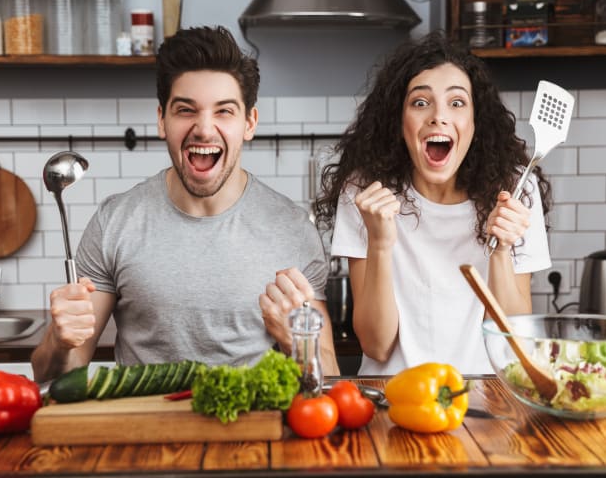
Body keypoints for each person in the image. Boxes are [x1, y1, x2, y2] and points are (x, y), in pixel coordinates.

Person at [31, 26, 339, 382]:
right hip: (147, 431)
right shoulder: (114, 223)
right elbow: (52, 376)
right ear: (162, 120)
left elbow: (330, 374)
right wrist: (59, 338)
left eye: (224, 111)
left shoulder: (292, 229)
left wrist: (296, 342)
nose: (204, 129)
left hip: (253, 433)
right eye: (185, 110)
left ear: (249, 123)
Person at [315, 31, 552, 375]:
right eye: (420, 102)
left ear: (475, 123)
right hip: (393, 397)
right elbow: (376, 345)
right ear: (399, 123)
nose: (438, 117)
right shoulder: (365, 191)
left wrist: (500, 250)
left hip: (486, 398)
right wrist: (380, 244)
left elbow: (511, 345)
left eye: (457, 103)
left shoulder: (516, 191)